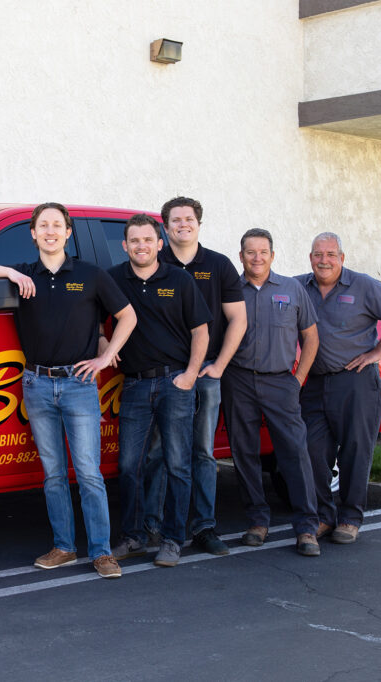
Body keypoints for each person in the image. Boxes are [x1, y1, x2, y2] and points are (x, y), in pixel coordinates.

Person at [0, 202, 137, 578]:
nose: (51, 231)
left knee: (88, 473)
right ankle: (64, 547)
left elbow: (128, 316)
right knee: (54, 474)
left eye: (58, 225)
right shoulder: (23, 274)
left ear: (68, 233)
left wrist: (106, 358)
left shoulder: (90, 275)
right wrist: (8, 270)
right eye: (44, 226)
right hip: (36, 384)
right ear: (34, 234)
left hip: (79, 384)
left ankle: (102, 552)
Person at [135, 197, 247, 558]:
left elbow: (238, 320)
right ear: (164, 227)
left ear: (198, 223)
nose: (183, 224)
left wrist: (219, 366)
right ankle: (153, 526)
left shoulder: (218, 265)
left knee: (201, 452)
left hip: (205, 376)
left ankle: (204, 527)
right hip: (162, 377)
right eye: (175, 220)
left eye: (189, 219)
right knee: (156, 453)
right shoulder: (153, 261)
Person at [297, 232, 381, 544]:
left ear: (342, 258)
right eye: (318, 254)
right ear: (310, 258)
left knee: (354, 451)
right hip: (314, 381)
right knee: (312, 451)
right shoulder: (298, 286)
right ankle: (324, 516)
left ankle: (350, 518)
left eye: (331, 254)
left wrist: (379, 352)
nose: (324, 260)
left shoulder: (362, 285)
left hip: (355, 382)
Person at [106, 214, 210, 567]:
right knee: (129, 466)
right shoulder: (114, 279)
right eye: (134, 241)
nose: (141, 246)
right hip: (134, 384)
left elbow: (201, 331)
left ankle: (171, 539)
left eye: (147, 240)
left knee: (177, 463)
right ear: (125, 246)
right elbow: (89, 315)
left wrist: (191, 375)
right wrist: (105, 341)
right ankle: (134, 536)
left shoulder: (179, 279)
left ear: (160, 243)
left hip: (175, 381)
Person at [221, 228, 322, 556]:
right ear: (241, 257)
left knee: (294, 451)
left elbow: (311, 337)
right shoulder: (229, 290)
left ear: (273, 256)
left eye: (263, 252)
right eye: (250, 252)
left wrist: (298, 379)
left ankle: (307, 527)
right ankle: (257, 521)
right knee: (244, 452)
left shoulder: (292, 289)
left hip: (281, 381)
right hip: (238, 380)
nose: (257, 258)